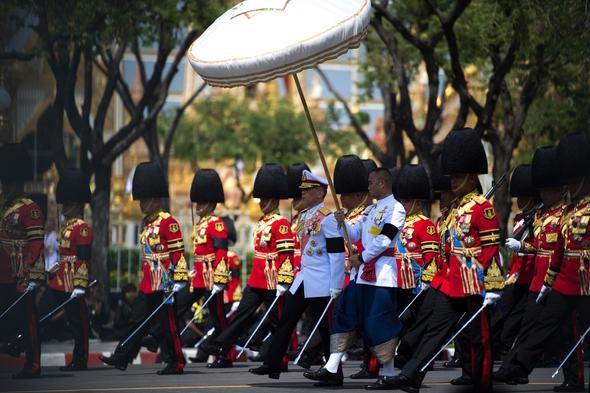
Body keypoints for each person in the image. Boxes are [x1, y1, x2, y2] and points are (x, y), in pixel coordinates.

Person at [391, 128, 503, 393]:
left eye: (459, 176)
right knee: (434, 331)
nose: (453, 182)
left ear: (473, 176)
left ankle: (482, 383)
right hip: (450, 280)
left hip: (475, 281)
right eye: (452, 176)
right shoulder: (454, 209)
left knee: (480, 339)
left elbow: (491, 249)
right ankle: (411, 376)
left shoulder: (482, 208)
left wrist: (493, 285)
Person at [498, 134, 590, 392]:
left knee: (570, 333)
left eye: (573, 180)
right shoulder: (568, 212)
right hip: (562, 280)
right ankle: (519, 369)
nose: (569, 186)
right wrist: (548, 282)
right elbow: (559, 250)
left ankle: (573, 378)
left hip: (586, 281)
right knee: (547, 328)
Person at [303, 166, 406, 389]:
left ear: (381, 183)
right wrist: (340, 222)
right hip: (362, 274)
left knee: (379, 323)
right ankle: (331, 366)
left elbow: (385, 239)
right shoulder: (371, 210)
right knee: (345, 314)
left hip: (381, 275)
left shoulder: (396, 209)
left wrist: (363, 257)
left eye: (370, 183)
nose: (367, 187)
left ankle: (388, 372)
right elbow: (354, 233)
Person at [250, 169, 345, 382]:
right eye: (302, 189)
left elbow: (337, 254)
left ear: (320, 193)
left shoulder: (328, 219)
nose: (303, 192)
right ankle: (272, 364)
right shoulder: (304, 216)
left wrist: (336, 284)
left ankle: (334, 373)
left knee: (325, 327)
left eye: (308, 189)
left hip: (322, 281)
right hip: (304, 278)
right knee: (286, 319)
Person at [100, 162, 188, 375]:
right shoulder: (147, 224)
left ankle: (176, 361)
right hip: (149, 281)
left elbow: (178, 252)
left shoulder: (169, 223)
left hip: (165, 282)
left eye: (146, 200)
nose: (142, 204)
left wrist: (179, 278)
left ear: (156, 199)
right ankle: (122, 356)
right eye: (141, 200)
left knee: (168, 325)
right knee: (136, 320)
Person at [200, 163, 295, 360]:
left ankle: (278, 358)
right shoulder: (262, 222)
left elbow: (286, 255)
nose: (261, 203)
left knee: (276, 320)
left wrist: (284, 281)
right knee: (242, 314)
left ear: (274, 200)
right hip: (257, 279)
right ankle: (220, 344)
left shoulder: (282, 224)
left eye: (265, 199)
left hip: (273, 279)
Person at [0, 143, 45, 379]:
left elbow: (36, 244)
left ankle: (34, 363)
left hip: (20, 273)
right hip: (3, 273)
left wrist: (32, 274)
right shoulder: (3, 207)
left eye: (8, 182)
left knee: (29, 321)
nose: (5, 186)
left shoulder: (30, 209)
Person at [186, 168, 234, 368]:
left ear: (211, 203)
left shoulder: (217, 224)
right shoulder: (199, 225)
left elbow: (221, 255)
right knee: (178, 306)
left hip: (212, 278)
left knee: (219, 319)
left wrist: (220, 279)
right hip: (197, 277)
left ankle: (226, 355)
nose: (198, 206)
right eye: (197, 202)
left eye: (202, 202)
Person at [490, 165, 539, 357]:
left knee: (520, 317)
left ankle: (505, 346)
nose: (520, 202)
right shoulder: (520, 217)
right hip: (516, 274)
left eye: (524, 198)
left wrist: (521, 247)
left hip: (532, 275)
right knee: (503, 312)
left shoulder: (538, 218)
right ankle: (498, 346)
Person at [47, 169, 93, 371]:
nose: (64, 206)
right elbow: (66, 255)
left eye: (67, 203)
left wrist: (81, 284)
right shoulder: (68, 226)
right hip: (61, 278)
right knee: (70, 321)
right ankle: (77, 357)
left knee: (79, 321)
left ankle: (80, 358)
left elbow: (83, 259)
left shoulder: (82, 228)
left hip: (74, 281)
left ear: (76, 204)